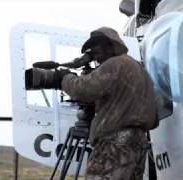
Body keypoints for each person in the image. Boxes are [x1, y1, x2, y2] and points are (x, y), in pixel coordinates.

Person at [56, 27, 158, 180]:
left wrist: (65, 78)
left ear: (111, 45)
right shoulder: (138, 68)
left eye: (98, 45)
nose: (95, 52)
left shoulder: (114, 65)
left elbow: (83, 89)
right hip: (138, 144)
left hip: (114, 146)